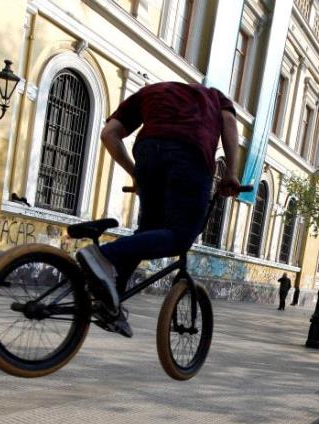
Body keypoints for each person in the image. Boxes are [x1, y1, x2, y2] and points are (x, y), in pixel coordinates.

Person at [75, 81, 240, 338]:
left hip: (147, 152)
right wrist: (231, 173)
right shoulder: (217, 97)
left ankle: (111, 302)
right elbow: (229, 125)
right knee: (181, 237)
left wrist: (136, 174)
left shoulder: (149, 92)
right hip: (191, 153)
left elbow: (109, 134)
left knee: (147, 233)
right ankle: (102, 255)